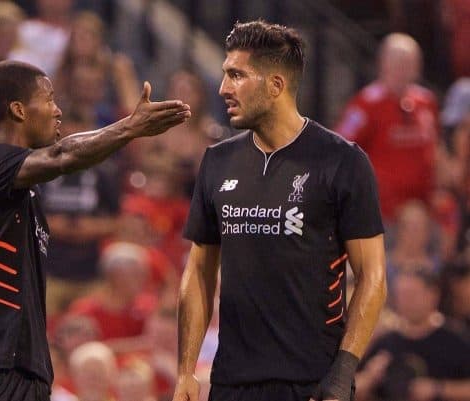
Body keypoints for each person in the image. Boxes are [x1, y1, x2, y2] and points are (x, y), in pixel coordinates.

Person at [0, 59, 190, 400]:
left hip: (17, 368)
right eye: (49, 99)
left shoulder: (18, 190)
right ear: (19, 110)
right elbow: (61, 157)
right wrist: (130, 128)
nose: (57, 111)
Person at [173, 21, 386, 401]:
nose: (223, 88)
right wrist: (186, 371)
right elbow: (199, 271)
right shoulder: (217, 161)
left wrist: (343, 372)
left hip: (312, 382)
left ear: (275, 85)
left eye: (237, 75)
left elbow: (372, 276)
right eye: (225, 74)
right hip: (231, 381)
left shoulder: (342, 161)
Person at [334, 33, 439, 224]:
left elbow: (435, 149)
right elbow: (340, 148)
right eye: (399, 63)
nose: (404, 69)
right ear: (383, 64)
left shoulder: (426, 102)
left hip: (421, 211)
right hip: (381, 212)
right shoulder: (366, 104)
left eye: (410, 63)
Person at [355, 271, 470, 401]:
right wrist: (370, 376)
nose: (405, 301)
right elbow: (347, 391)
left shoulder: (457, 339)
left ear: (433, 295)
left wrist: (438, 389)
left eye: (412, 294)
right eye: (401, 295)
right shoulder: (385, 341)